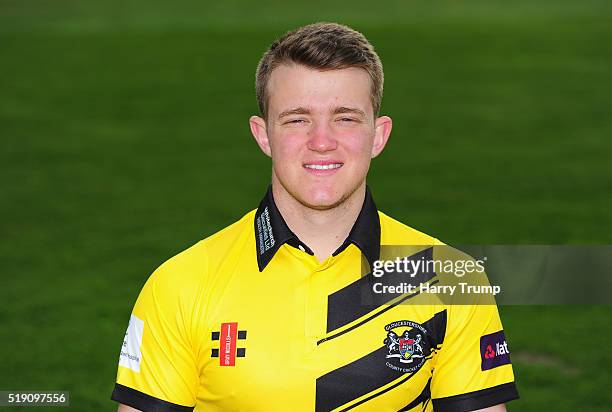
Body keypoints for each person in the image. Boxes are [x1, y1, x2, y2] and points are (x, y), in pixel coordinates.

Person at [111, 22, 519, 412]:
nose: (321, 141)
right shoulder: (180, 284)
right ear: (263, 135)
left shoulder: (447, 278)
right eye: (297, 119)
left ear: (378, 135)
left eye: (344, 118)